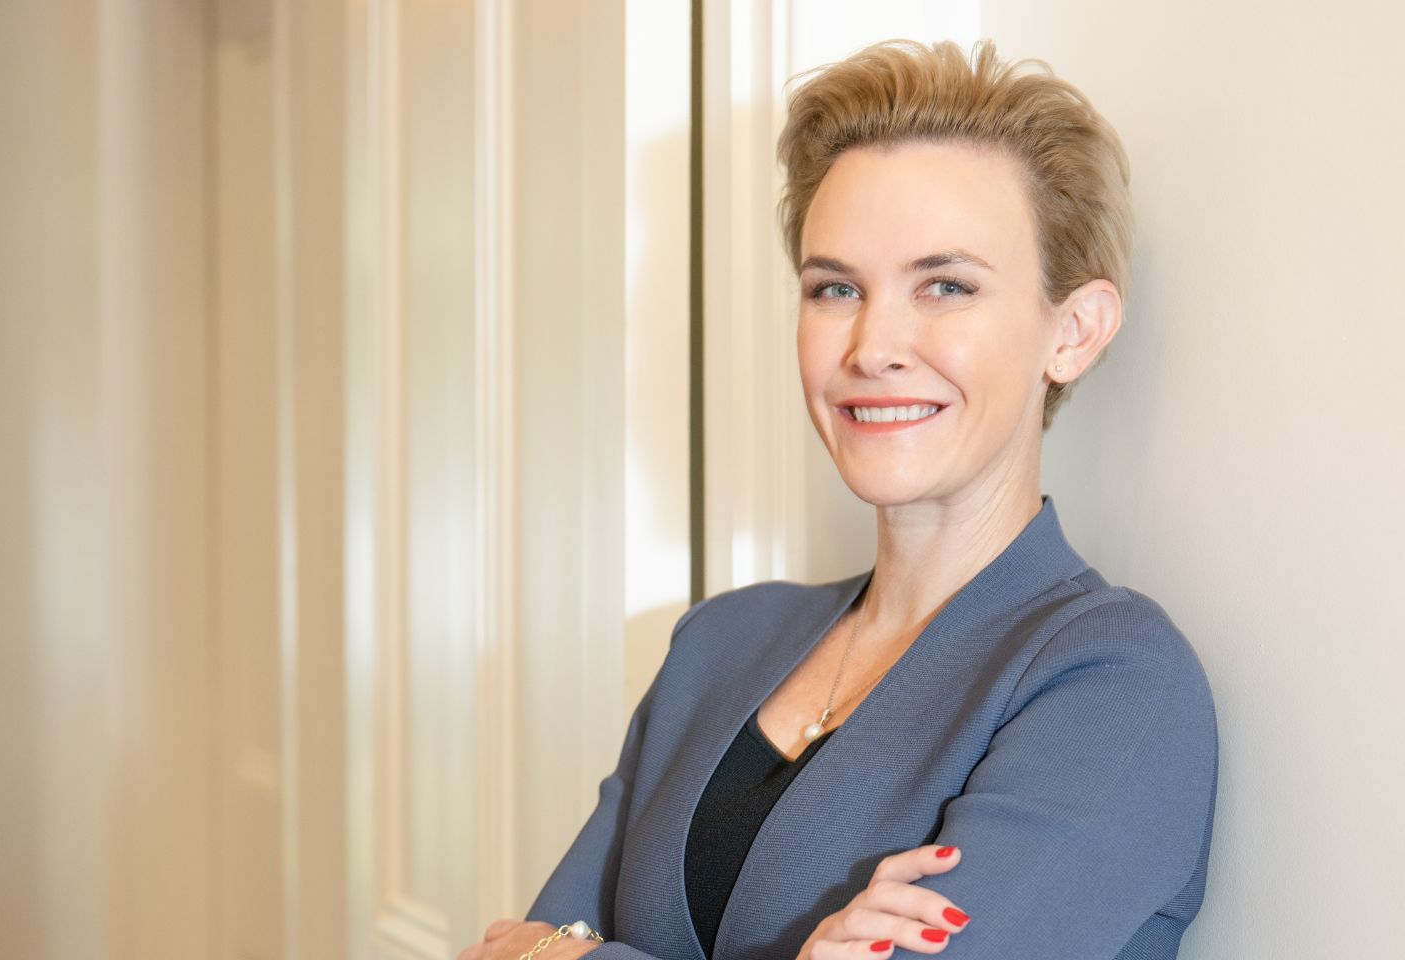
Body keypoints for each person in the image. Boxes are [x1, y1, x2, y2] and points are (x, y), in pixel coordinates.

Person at [459, 37, 1217, 960]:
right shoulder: (717, 644)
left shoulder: (1113, 682)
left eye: (945, 285)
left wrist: (567, 953)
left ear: (1075, 331)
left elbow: (537, 947)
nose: (871, 346)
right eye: (835, 288)